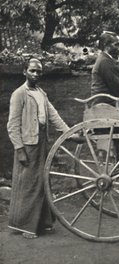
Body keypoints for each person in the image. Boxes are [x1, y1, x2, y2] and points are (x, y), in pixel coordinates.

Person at [7, 58, 77, 239]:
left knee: (42, 182)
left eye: (39, 71)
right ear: (24, 72)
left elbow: (54, 116)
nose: (36, 74)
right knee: (29, 185)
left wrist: (70, 133)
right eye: (32, 71)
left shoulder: (41, 93)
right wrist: (19, 149)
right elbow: (12, 125)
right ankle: (25, 226)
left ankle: (43, 223)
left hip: (41, 142)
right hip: (28, 145)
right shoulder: (19, 94)